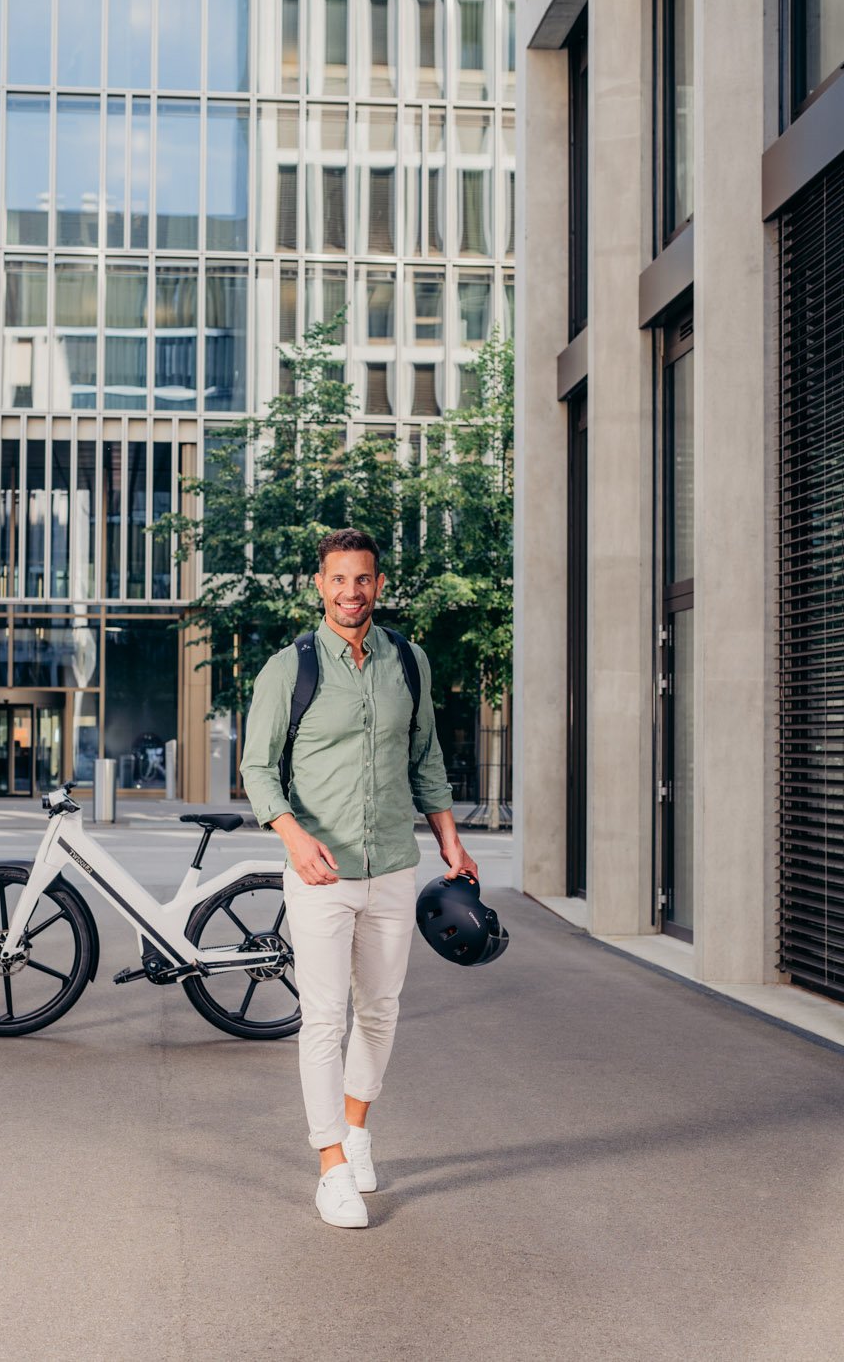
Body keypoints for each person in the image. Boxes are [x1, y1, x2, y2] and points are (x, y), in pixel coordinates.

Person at [240, 527, 478, 1229]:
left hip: (393, 868)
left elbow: (426, 754)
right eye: (339, 579)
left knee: (380, 1008)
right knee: (323, 1017)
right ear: (320, 585)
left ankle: (357, 1127)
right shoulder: (290, 668)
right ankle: (331, 1165)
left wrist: (450, 840)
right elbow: (257, 767)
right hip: (319, 872)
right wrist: (291, 833)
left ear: (378, 583)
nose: (351, 592)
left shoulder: (409, 661)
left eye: (363, 579)